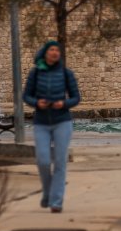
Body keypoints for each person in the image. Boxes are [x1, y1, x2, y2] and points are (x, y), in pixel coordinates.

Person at [23, 41, 80, 213]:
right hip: (41, 122)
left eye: (57, 50)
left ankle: (56, 201)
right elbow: (27, 96)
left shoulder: (66, 73)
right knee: (43, 161)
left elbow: (76, 98)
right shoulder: (35, 73)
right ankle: (47, 194)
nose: (55, 52)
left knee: (60, 162)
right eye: (52, 49)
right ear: (45, 53)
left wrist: (63, 103)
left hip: (62, 121)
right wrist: (36, 103)